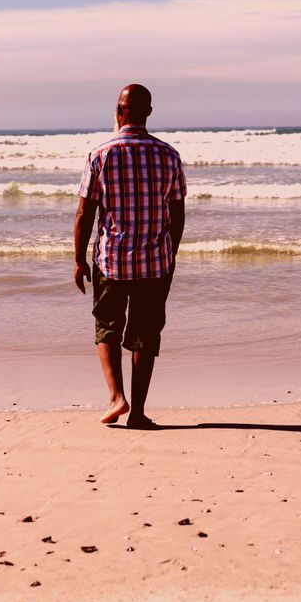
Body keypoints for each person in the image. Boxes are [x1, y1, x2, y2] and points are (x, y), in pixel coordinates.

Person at [73, 84, 186, 429]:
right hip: (155, 262)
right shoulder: (168, 155)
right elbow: (178, 213)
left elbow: (84, 213)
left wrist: (79, 260)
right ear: (148, 113)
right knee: (146, 334)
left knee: (106, 325)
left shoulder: (100, 154)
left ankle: (115, 397)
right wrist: (170, 253)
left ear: (118, 112)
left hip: (111, 260)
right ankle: (137, 413)